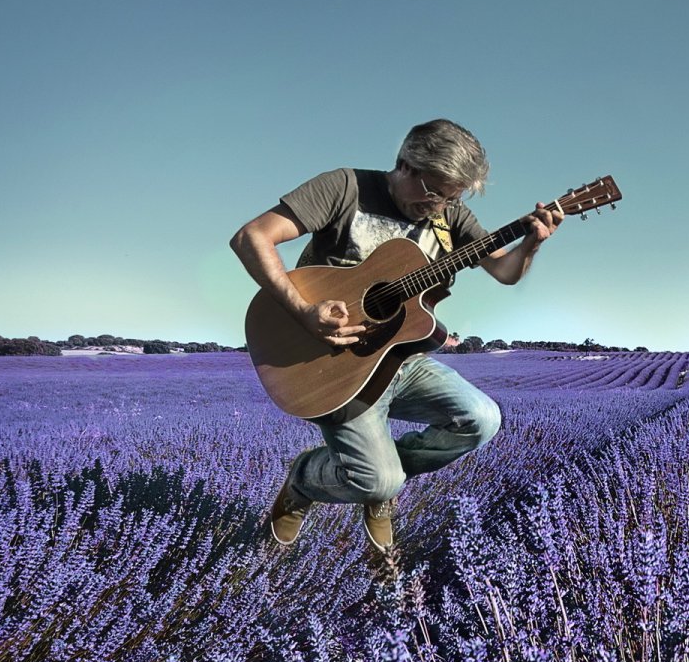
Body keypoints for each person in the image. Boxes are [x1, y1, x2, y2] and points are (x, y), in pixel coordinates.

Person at [229, 118, 563, 570]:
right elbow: (252, 236)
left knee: (481, 420)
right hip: (334, 364)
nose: (440, 205)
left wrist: (532, 245)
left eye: (453, 197)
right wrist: (302, 310)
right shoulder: (345, 187)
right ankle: (307, 480)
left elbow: (505, 272)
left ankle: (379, 481)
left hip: (401, 360)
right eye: (435, 192)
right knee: (378, 480)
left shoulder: (451, 218)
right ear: (405, 165)